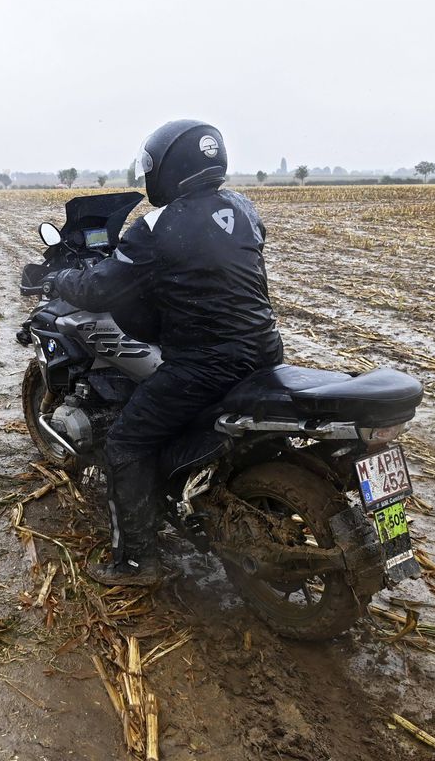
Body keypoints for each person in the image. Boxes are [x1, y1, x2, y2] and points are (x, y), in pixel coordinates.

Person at [44, 120, 283, 587]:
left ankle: (136, 562)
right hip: (265, 350)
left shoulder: (156, 223)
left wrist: (59, 280)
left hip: (204, 365)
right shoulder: (245, 206)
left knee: (126, 443)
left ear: (169, 169)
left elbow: (97, 288)